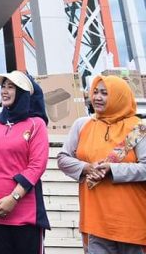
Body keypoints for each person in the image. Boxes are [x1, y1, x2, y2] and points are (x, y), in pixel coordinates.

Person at [57, 75, 146, 253]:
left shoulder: (138, 128)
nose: (97, 97)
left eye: (105, 93)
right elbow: (63, 158)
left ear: (119, 97)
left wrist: (112, 169)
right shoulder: (82, 125)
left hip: (132, 221)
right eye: (95, 92)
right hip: (95, 221)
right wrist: (86, 167)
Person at [0, 71, 50, 254]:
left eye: (11, 87)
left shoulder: (36, 124)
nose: (4, 91)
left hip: (26, 213)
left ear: (22, 92)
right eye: (3, 86)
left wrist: (13, 198)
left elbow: (37, 166)